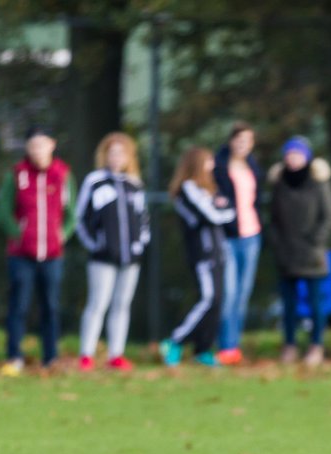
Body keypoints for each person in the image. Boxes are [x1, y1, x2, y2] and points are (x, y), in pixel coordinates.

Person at [0, 126, 75, 376]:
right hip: (21, 255)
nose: (37, 150)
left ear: (52, 145)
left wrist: (62, 235)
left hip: (52, 255)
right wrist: (19, 235)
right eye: (32, 145)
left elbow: (72, 214)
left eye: (42, 144)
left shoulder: (63, 175)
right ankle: (14, 357)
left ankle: (51, 358)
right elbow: (2, 212)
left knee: (50, 306)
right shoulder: (17, 175)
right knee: (18, 305)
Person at [74, 131, 149, 372]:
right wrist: (95, 244)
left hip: (131, 258)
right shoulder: (94, 181)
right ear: (105, 155)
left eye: (122, 153)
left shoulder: (134, 185)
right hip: (102, 258)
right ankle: (87, 354)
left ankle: (116, 354)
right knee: (98, 303)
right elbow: (81, 218)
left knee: (122, 305)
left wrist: (139, 244)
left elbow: (143, 220)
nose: (117, 157)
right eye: (112, 152)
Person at [160, 147, 234, 367]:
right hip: (202, 254)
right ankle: (175, 341)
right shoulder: (188, 189)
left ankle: (202, 349)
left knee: (217, 301)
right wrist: (221, 211)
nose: (212, 166)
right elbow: (211, 215)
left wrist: (222, 210)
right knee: (207, 299)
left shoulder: (209, 189)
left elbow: (228, 209)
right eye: (208, 161)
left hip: (218, 252)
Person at [270, 135, 331, 366]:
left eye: (297, 154)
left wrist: (315, 241)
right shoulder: (279, 184)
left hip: (312, 254)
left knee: (315, 304)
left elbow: (328, 217)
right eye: (289, 154)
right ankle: (289, 346)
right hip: (286, 253)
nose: (293, 159)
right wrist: (279, 243)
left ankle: (316, 346)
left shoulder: (319, 183)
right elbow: (274, 219)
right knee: (288, 305)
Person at [213, 122, 264, 365]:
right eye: (239, 140)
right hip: (228, 237)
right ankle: (224, 346)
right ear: (232, 141)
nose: (243, 145)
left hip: (251, 236)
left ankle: (235, 348)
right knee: (229, 293)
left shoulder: (253, 167)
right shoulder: (219, 166)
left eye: (248, 141)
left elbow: (257, 199)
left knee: (242, 295)